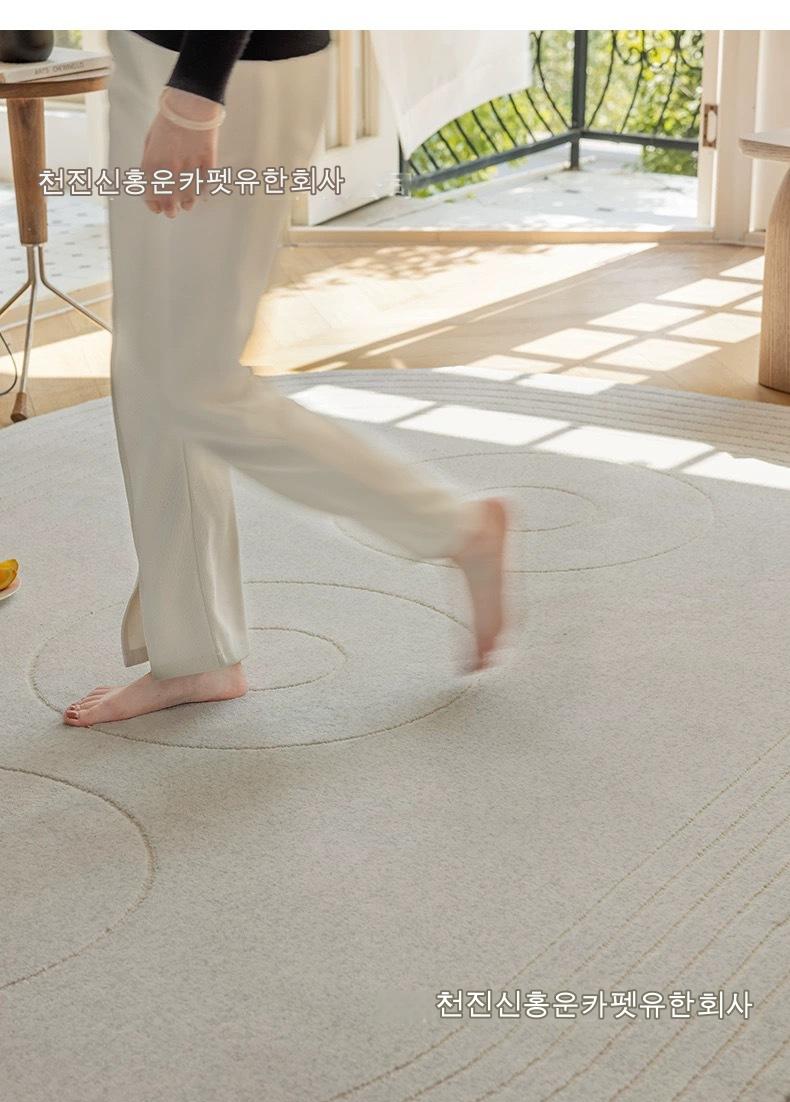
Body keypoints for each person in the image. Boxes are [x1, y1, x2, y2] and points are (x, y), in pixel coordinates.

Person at [63, 30, 508, 728]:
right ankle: (195, 652)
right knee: (149, 376)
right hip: (163, 56)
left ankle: (451, 525)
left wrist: (195, 97)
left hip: (221, 72)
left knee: (194, 384)